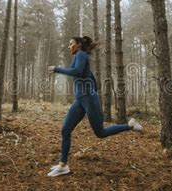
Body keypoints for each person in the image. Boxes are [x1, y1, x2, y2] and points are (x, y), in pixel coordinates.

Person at [47, 36, 143, 177]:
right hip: (80, 100)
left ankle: (130, 126)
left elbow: (78, 71)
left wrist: (57, 69)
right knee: (65, 129)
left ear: (78, 45)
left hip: (88, 99)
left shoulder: (81, 54)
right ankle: (63, 165)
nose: (69, 47)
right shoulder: (80, 56)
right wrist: (91, 88)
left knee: (100, 133)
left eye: (71, 44)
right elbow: (89, 75)